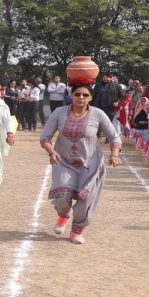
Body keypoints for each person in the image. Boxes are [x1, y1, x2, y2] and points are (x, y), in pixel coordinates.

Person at [39, 79, 122, 244]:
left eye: (85, 95)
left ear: (91, 97)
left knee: (85, 200)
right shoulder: (59, 113)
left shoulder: (98, 114)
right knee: (62, 197)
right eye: (77, 94)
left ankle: (77, 230)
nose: (81, 97)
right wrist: (52, 151)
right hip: (63, 162)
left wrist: (114, 154)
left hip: (90, 165)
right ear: (71, 95)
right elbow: (45, 137)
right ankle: (64, 215)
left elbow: (114, 137)